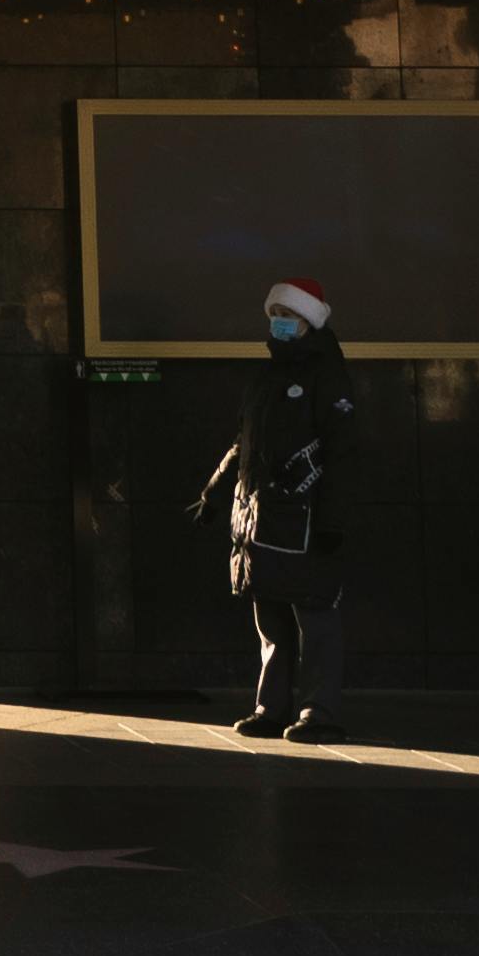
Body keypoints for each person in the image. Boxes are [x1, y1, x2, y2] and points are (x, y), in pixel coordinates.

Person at [196, 275, 360, 739]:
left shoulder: (326, 373)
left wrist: (332, 519)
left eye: (288, 316)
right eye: (275, 316)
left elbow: (342, 449)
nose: (280, 324)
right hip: (261, 520)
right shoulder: (266, 376)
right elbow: (242, 441)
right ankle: (271, 708)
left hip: (306, 520)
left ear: (308, 320)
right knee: (269, 617)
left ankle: (318, 712)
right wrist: (214, 491)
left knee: (315, 617)